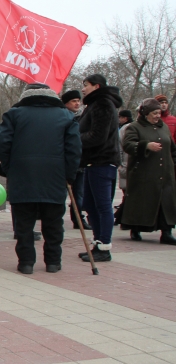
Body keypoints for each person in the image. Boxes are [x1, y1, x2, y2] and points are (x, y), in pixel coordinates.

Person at [0, 84, 81, 274]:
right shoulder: (66, 116)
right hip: (55, 176)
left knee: (24, 223)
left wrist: (11, 169)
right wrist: (69, 175)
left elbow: (3, 144)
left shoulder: (14, 114)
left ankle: (26, 263)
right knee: (53, 223)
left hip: (22, 175)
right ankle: (53, 262)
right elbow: (74, 150)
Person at [79, 74, 123, 263]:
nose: (83, 89)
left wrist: (74, 140)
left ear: (96, 86)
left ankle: (104, 246)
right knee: (90, 204)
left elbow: (98, 136)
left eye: (86, 85)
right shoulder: (94, 104)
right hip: (92, 162)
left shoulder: (103, 103)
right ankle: (98, 243)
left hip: (102, 162)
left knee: (103, 205)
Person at [120, 99, 176, 245]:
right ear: (145, 114)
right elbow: (128, 145)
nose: (158, 116)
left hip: (165, 172)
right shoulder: (134, 127)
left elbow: (171, 147)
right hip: (144, 173)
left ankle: (166, 232)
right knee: (142, 202)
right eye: (154, 113)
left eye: (159, 113)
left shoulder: (163, 127)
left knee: (166, 202)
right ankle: (136, 229)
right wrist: (146, 145)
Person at [61, 89, 91, 230]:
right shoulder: (62, 118)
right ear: (66, 103)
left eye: (78, 100)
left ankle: (79, 219)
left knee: (78, 194)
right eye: (74, 101)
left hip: (80, 162)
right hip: (64, 162)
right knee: (61, 194)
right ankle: (57, 220)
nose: (77, 103)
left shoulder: (83, 117)